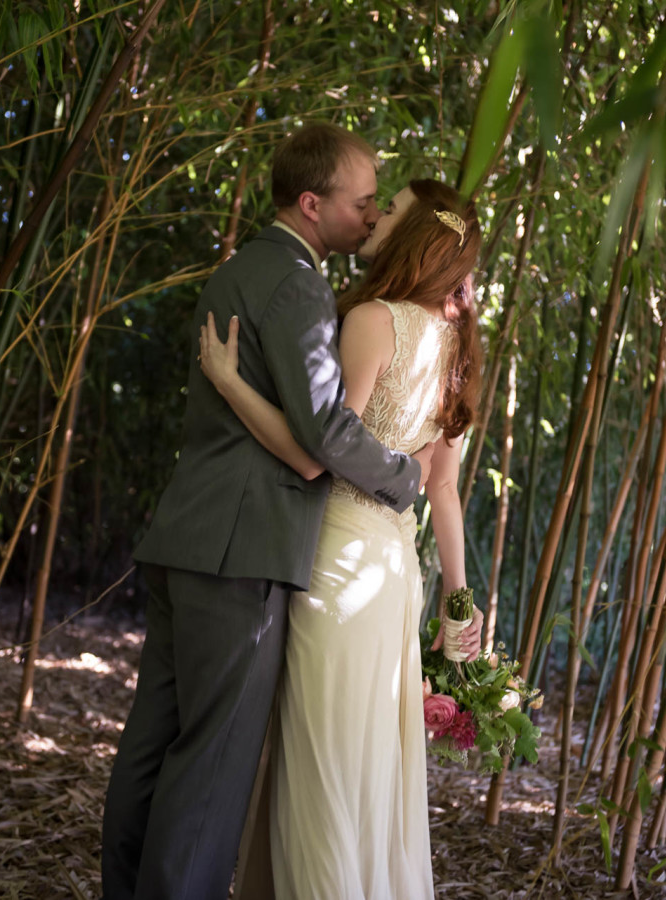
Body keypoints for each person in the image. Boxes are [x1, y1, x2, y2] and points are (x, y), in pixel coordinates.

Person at [101, 124, 444, 900]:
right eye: (362, 203)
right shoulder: (298, 283)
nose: (368, 217)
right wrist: (400, 477)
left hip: (188, 539)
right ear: (313, 203)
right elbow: (323, 435)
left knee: (151, 751)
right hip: (242, 555)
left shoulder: (237, 270)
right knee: (211, 768)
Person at [198, 178, 483, 900]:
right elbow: (443, 487)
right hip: (394, 572)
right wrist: (459, 600)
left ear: (416, 237)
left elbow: (314, 453)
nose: (377, 217)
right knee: (364, 764)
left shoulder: (374, 320)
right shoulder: (455, 344)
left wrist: (232, 384)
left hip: (337, 562)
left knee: (318, 761)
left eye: (392, 213)